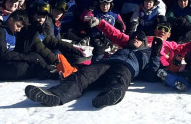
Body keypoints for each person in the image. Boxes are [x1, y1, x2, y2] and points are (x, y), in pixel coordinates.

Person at [24, 30, 159, 109]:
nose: (135, 39)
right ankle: (55, 95)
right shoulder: (121, 50)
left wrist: (155, 55)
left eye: (139, 38)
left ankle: (110, 95)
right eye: (133, 37)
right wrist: (99, 53)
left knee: (120, 76)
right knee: (83, 74)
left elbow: (151, 75)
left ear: (144, 43)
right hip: (107, 63)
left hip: (126, 67)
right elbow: (96, 63)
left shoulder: (146, 54)